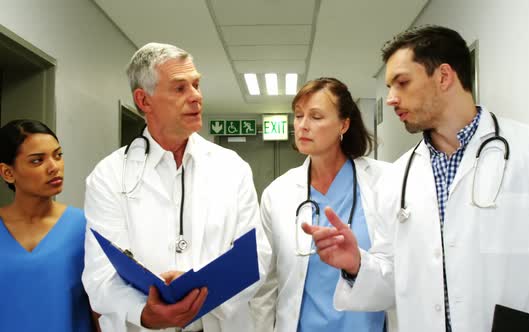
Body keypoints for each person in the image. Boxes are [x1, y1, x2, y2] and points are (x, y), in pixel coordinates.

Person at [303, 26, 529, 332]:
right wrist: (357, 264)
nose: (390, 99)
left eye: (401, 83)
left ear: (443, 76)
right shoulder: (397, 179)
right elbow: (393, 280)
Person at [82, 42, 270, 332]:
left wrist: (200, 296)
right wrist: (143, 311)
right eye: (180, 88)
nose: (196, 97)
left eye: (196, 84)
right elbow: (100, 274)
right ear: (144, 101)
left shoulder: (232, 168)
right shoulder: (108, 176)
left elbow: (257, 256)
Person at [251, 77, 394, 331]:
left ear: (344, 124)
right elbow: (266, 284)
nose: (302, 126)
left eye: (316, 117)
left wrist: (357, 263)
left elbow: (400, 269)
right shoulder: (278, 193)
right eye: (298, 115)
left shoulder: (385, 182)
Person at [0, 119, 97, 331]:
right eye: (37, 161)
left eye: (58, 155)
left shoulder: (85, 227)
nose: (54, 167)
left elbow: (99, 310)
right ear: (8, 173)